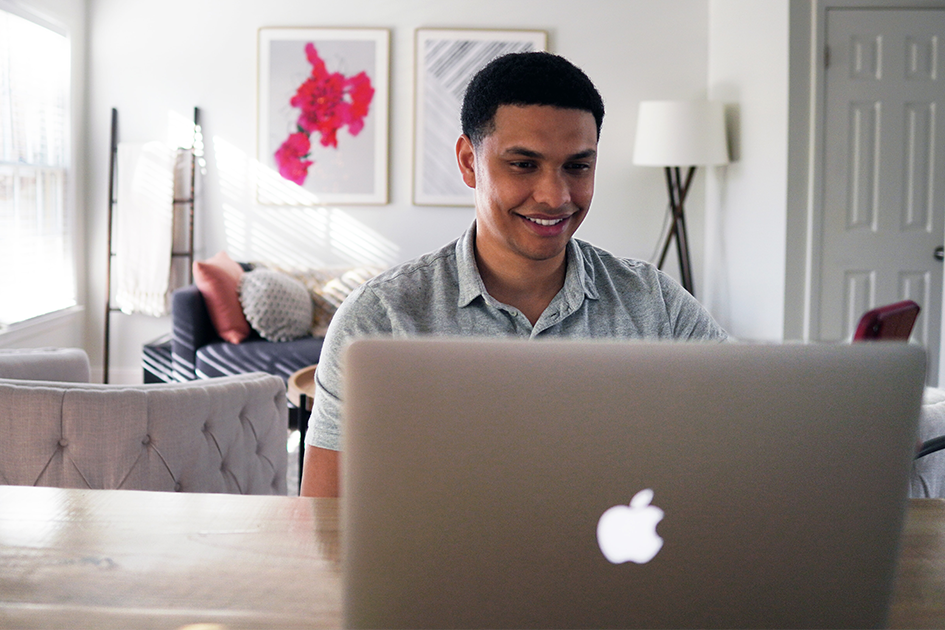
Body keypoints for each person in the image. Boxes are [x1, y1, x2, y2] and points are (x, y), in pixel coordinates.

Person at [300, 51, 727, 497]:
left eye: (577, 166)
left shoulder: (655, 304)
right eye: (524, 165)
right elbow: (320, 520)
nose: (555, 196)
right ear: (469, 161)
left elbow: (744, 437)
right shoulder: (380, 318)